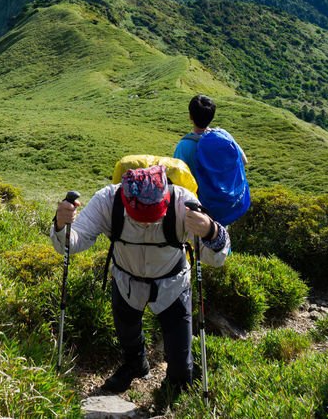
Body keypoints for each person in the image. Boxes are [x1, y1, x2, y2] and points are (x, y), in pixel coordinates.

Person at [52, 165, 231, 395]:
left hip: (172, 285)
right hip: (126, 282)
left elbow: (215, 257)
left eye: (153, 216)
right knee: (127, 333)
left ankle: (175, 385)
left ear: (166, 199)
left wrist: (211, 231)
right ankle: (135, 364)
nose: (146, 223)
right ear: (125, 199)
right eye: (139, 218)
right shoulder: (108, 200)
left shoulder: (184, 204)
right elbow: (72, 242)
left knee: (180, 358)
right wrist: (60, 224)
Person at [173, 94, 250, 226]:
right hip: (225, 204)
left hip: (203, 211)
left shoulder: (184, 146)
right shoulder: (224, 135)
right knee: (222, 241)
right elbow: (243, 160)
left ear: (190, 116)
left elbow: (177, 182)